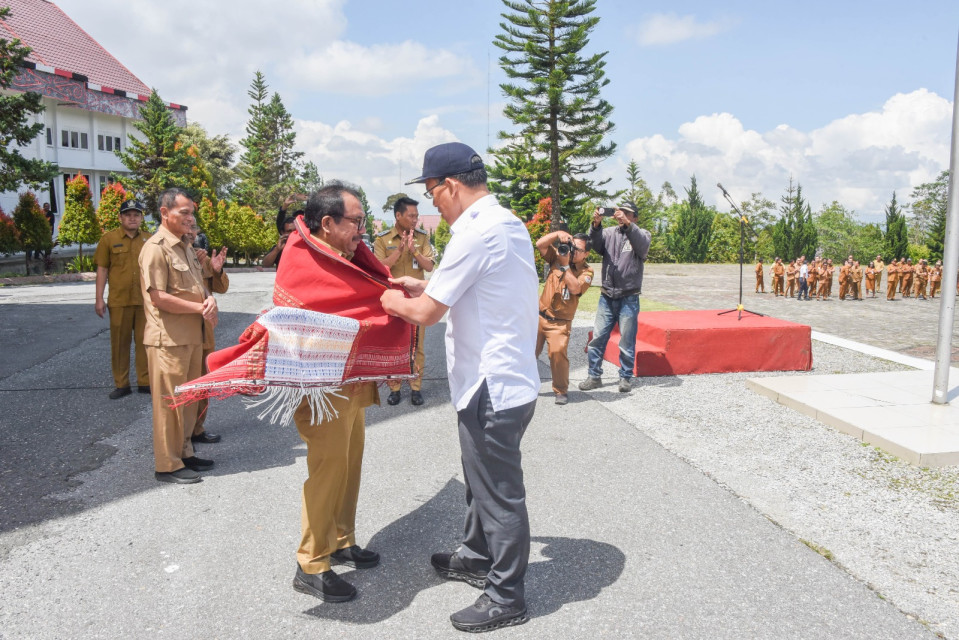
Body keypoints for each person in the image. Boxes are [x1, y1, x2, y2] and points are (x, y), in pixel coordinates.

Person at [381, 142, 538, 633]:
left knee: (497, 492)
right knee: (479, 480)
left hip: (491, 385)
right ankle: (475, 554)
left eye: (433, 193)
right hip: (502, 380)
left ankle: (505, 594)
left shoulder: (477, 232)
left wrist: (389, 297)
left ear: (450, 185)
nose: (433, 206)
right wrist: (418, 288)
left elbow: (428, 313)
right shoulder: (503, 223)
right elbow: (458, 288)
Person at [283, 183, 394, 604]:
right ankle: (311, 562)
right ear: (327, 224)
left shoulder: (346, 259)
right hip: (323, 387)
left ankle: (342, 538)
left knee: (350, 464)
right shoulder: (305, 262)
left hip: (353, 381)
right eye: (356, 222)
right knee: (327, 470)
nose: (362, 231)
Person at [139, 188, 218, 484]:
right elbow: (158, 297)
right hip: (168, 340)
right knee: (169, 405)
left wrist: (208, 299)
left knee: (187, 402)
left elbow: (199, 285)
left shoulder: (185, 246)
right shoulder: (156, 248)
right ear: (164, 213)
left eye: (191, 212)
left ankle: (185, 452)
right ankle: (167, 464)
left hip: (192, 337)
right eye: (183, 212)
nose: (190, 218)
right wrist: (200, 306)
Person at [579, 202, 652, 393]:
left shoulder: (642, 234)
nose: (622, 215)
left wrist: (628, 226)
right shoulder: (610, 233)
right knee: (597, 338)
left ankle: (625, 377)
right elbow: (595, 246)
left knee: (627, 340)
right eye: (621, 212)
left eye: (628, 214)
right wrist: (596, 225)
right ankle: (594, 376)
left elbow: (642, 247)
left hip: (629, 296)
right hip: (607, 295)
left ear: (635, 217)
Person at [373, 196, 435, 406]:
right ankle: (395, 388)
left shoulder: (422, 237)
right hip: (394, 301)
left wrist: (415, 250)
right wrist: (399, 251)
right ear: (398, 216)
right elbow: (380, 268)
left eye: (417, 216)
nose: (415, 220)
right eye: (411, 216)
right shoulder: (383, 239)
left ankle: (416, 387)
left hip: (418, 300)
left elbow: (429, 267)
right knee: (394, 346)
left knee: (418, 345)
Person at [94, 199, 152, 399]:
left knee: (146, 343)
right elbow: (102, 269)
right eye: (128, 215)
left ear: (141, 218)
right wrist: (99, 299)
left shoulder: (149, 240)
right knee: (120, 344)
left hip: (145, 301)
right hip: (119, 301)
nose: (132, 218)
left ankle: (145, 381)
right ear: (120, 217)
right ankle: (122, 384)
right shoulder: (109, 239)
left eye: (136, 214)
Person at [535, 230, 593, 405]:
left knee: (557, 354)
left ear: (587, 253)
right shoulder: (558, 256)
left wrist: (566, 266)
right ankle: (520, 385)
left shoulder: (587, 272)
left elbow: (575, 288)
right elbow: (540, 244)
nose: (573, 250)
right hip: (539, 317)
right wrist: (558, 234)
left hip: (560, 324)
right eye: (572, 246)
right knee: (526, 353)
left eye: (578, 249)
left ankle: (561, 390)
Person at [183, 222, 229, 445]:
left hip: (205, 329)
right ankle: (181, 434)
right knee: (185, 382)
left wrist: (215, 269)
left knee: (204, 381)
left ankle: (197, 429)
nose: (193, 235)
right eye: (188, 231)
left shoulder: (201, 258)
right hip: (182, 329)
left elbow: (220, 288)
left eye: (195, 232)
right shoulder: (174, 255)